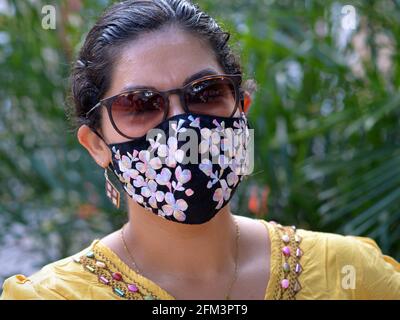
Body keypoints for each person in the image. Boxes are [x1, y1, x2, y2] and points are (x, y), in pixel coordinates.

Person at [1, 0, 399, 300]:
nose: (181, 125)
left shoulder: (351, 276)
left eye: (206, 92)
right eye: (140, 104)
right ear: (97, 144)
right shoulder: (53, 296)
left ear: (241, 110)